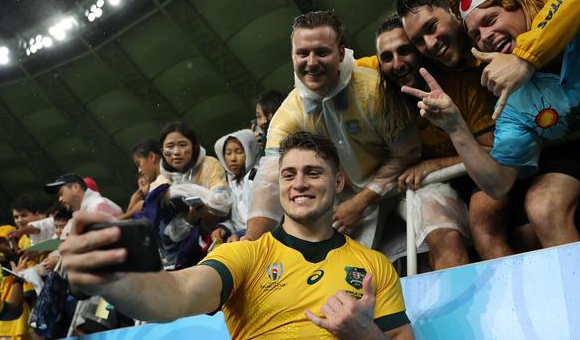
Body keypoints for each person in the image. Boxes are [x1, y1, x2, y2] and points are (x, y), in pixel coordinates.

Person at [59, 132, 414, 339]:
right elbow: (176, 295)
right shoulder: (246, 254)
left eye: (313, 173)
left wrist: (366, 336)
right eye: (289, 175)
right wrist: (112, 279)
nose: (299, 184)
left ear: (338, 183)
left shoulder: (373, 266)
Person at [406, 0, 580, 247]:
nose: (485, 36)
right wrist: (455, 127)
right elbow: (497, 184)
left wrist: (526, 57)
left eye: (491, 20)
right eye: (475, 35)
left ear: (523, 4)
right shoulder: (515, 97)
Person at [246, 10, 421, 249]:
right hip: (340, 209)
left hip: (403, 187)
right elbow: (270, 180)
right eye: (302, 53)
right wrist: (249, 241)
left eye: (321, 52)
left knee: (439, 230)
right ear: (292, 56)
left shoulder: (375, 90)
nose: (311, 62)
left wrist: (362, 201)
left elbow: (407, 152)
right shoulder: (288, 114)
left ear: (340, 52)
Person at [373, 15, 495, 268]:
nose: (397, 64)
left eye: (405, 51)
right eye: (387, 57)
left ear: (420, 51)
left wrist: (434, 165)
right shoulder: (386, 100)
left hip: (485, 176)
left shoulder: (461, 84)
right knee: (439, 237)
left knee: (484, 223)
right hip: (436, 187)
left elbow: (491, 151)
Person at [397, 0, 580, 119]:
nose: (430, 43)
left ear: (454, 14)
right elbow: (370, 65)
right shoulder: (446, 72)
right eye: (418, 41)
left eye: (432, 27)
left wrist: (524, 57)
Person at [140, 121, 231, 269]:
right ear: (162, 150)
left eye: (182, 145)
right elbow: (171, 235)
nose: (176, 152)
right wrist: (192, 217)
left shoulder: (209, 164)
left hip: (220, 240)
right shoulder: (160, 185)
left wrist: (177, 191)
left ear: (194, 146)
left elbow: (222, 204)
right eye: (170, 146)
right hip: (180, 257)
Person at [213, 129, 260, 242]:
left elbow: (265, 218)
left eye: (239, 152)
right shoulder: (228, 182)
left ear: (250, 151)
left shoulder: (258, 176)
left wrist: (240, 234)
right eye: (228, 153)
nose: (233, 158)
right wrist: (224, 228)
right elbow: (236, 220)